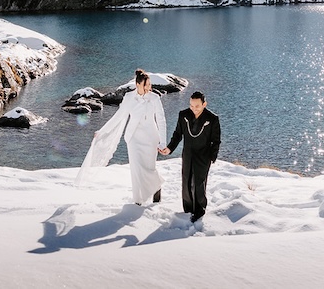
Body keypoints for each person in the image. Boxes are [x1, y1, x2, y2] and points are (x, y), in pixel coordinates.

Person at [76, 69, 168, 205]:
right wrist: (102, 131)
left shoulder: (154, 98)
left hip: (151, 137)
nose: (150, 87)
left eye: (150, 84)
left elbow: (161, 120)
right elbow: (118, 116)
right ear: (138, 84)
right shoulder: (129, 98)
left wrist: (163, 142)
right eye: (147, 84)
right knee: (136, 168)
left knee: (149, 167)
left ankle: (156, 187)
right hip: (134, 138)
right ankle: (138, 200)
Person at [159, 91, 220, 223]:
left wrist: (211, 157)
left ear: (204, 104)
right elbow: (177, 134)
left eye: (197, 106)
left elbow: (216, 141)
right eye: (191, 105)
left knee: (198, 183)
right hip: (188, 154)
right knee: (186, 181)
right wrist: (169, 149)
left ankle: (199, 210)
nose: (193, 109)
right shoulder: (184, 115)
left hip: (203, 155)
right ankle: (188, 209)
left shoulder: (212, 118)